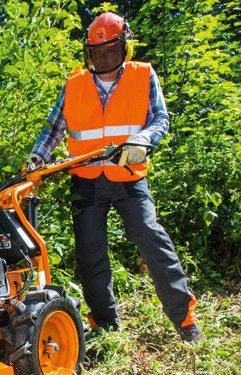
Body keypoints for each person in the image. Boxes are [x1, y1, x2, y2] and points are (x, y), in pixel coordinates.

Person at [28, 12, 204, 343]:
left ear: (124, 47)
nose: (104, 57)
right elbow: (54, 128)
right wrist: (38, 157)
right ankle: (105, 322)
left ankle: (185, 320)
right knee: (90, 253)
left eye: (110, 50)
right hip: (86, 180)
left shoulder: (143, 75)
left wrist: (144, 140)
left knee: (152, 239)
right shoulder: (75, 83)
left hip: (129, 177)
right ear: (88, 53)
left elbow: (160, 118)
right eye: (97, 52)